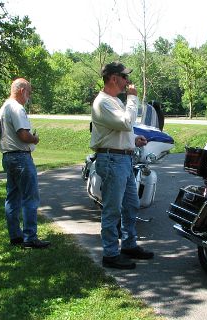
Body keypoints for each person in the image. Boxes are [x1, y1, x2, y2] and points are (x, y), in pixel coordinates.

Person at [90, 61, 154, 269]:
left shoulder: (114, 101)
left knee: (131, 205)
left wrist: (133, 140)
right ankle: (110, 254)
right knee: (112, 209)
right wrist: (133, 98)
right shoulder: (103, 102)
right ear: (113, 78)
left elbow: (120, 130)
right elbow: (127, 122)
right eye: (124, 77)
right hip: (112, 160)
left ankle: (128, 245)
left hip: (123, 159)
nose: (128, 81)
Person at [0, 78, 50, 249]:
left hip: (7, 156)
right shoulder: (16, 108)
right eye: (29, 92)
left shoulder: (4, 107)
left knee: (12, 198)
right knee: (30, 197)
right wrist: (35, 139)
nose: (29, 96)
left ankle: (15, 236)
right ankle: (30, 238)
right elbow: (23, 135)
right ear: (21, 90)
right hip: (20, 156)